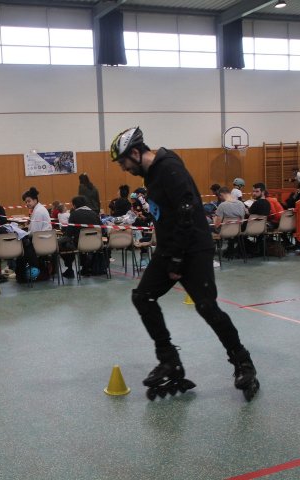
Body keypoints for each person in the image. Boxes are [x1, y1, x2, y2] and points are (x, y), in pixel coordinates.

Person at [110, 127, 259, 401]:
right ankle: (169, 361)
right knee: (142, 297)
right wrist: (170, 254)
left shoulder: (168, 167)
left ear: (135, 153)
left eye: (123, 162)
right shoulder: (151, 174)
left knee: (207, 307)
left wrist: (177, 259)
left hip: (194, 248)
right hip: (169, 249)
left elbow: (187, 210)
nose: (124, 168)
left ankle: (243, 362)